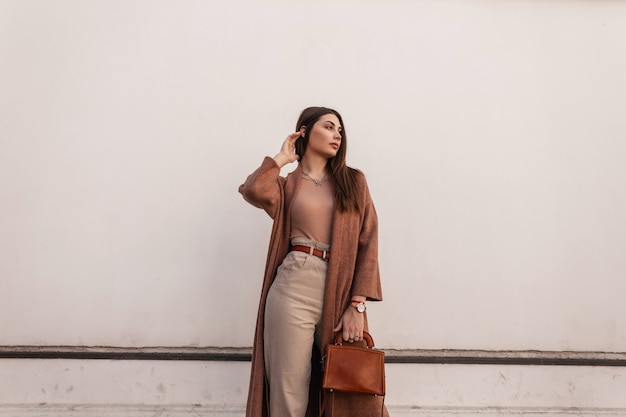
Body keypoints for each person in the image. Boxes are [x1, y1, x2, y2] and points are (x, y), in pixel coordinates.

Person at [239, 107, 388, 417]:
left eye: (340, 131)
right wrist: (281, 159)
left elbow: (367, 242)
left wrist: (357, 305)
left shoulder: (353, 181)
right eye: (329, 126)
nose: (337, 135)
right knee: (288, 387)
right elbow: (254, 189)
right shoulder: (287, 185)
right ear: (304, 131)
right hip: (294, 282)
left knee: (347, 385)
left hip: (341, 286)